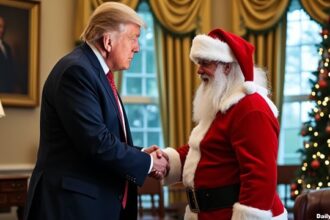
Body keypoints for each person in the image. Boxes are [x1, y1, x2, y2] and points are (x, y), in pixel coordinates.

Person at [23, 2, 168, 220]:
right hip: (70, 208)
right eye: (133, 37)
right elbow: (97, 143)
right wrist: (147, 163)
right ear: (108, 40)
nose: (137, 47)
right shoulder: (77, 71)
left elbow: (105, 136)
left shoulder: (95, 72)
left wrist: (141, 153)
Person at [159, 28, 287, 219]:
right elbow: (205, 152)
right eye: (198, 63)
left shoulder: (250, 108)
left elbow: (260, 177)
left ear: (227, 67)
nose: (198, 70)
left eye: (205, 63)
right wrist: (167, 161)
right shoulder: (222, 105)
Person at [0, 15, 16, 93]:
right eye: (0, 26)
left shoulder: (7, 48)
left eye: (3, 27)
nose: (2, 30)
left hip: (8, 90)